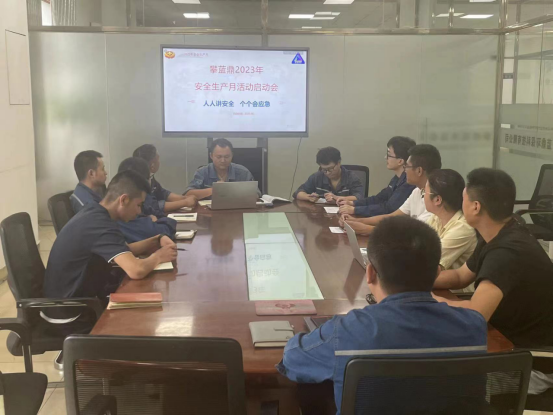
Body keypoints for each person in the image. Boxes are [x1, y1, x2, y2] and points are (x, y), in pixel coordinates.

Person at [277, 216, 487, 413]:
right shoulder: (474, 326)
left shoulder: (349, 331)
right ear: (437, 274)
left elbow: (293, 359)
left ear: (370, 273)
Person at [43, 170, 178, 332]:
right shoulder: (99, 224)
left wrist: (157, 239)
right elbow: (136, 270)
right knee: (147, 323)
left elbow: (125, 250)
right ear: (123, 200)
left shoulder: (97, 212)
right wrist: (159, 257)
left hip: (74, 302)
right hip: (71, 314)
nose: (139, 212)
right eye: (138, 205)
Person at [433, 168, 553, 348]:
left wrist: (434, 301)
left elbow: (476, 314)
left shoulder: (506, 252)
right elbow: (460, 276)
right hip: (501, 332)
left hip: (526, 353)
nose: (460, 204)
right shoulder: (499, 231)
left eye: (463, 199)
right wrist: (417, 281)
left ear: (476, 207)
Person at [340, 144, 441, 235]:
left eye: (407, 166)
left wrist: (367, 229)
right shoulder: (417, 191)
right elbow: (393, 216)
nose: (405, 170)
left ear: (419, 171)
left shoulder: (436, 199)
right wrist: (357, 221)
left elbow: (413, 233)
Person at [338, 136, 416, 216]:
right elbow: (379, 198)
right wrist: (352, 203)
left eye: (389, 155)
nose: (385, 157)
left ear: (400, 161)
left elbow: (388, 208)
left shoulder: (408, 182)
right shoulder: (396, 178)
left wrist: (355, 210)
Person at [424, 169, 477, 272]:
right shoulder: (436, 218)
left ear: (437, 200)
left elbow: (427, 260)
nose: (423, 196)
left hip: (451, 282)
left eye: (424, 192)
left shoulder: (462, 228)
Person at [116, 157, 177, 243]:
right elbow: (162, 230)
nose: (138, 210)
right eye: (149, 178)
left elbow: (159, 214)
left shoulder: (134, 199)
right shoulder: (121, 215)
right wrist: (153, 221)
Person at [184, 138, 261, 199]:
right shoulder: (202, 172)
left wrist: (231, 190)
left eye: (227, 157)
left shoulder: (242, 172)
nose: (223, 160)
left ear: (232, 155)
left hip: (237, 209)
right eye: (219, 157)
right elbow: (188, 194)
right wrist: (214, 190)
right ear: (211, 156)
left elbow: (256, 194)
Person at [133, 144, 197, 212]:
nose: (159, 162)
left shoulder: (149, 176)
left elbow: (162, 193)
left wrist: (184, 198)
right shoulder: (138, 182)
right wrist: (185, 202)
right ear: (152, 166)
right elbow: (153, 206)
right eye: (158, 159)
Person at [293, 147, 364, 203]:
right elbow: (297, 193)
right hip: (321, 214)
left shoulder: (351, 177)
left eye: (331, 168)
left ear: (339, 163)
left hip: (346, 213)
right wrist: (309, 197)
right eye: (324, 169)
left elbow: (359, 197)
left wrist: (337, 198)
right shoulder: (317, 177)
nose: (327, 172)